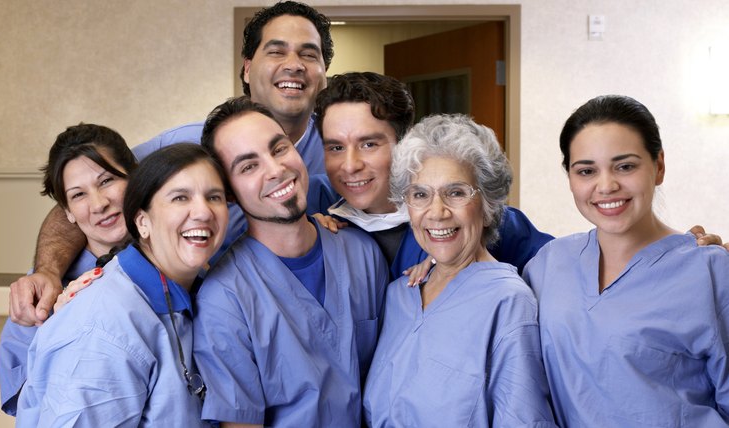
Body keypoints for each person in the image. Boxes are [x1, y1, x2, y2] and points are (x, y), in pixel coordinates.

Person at [8, 0, 333, 326]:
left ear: (322, 74)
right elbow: (91, 195)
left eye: (308, 54)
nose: (294, 64)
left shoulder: (339, 151)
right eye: (277, 51)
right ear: (247, 68)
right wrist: (48, 271)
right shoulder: (184, 146)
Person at [522, 95, 729, 427]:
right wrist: (434, 262)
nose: (606, 185)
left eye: (625, 166)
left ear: (658, 167)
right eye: (586, 170)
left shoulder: (711, 272)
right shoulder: (548, 264)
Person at [193, 97, 388, 427]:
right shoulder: (223, 300)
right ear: (228, 192)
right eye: (249, 166)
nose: (275, 169)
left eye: (279, 149)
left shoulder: (363, 253)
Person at [16, 143, 229, 426]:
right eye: (180, 198)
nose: (202, 212)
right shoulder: (103, 327)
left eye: (214, 197)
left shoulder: (199, 291)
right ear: (142, 222)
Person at [363, 114, 555, 427]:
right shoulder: (400, 295)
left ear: (488, 204)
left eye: (456, 192)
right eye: (420, 194)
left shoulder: (507, 302)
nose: (436, 212)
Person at [313, 71, 554, 278]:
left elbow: (565, 279)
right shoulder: (321, 219)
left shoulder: (474, 219)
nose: (350, 165)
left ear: (404, 143)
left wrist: (459, 263)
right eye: (336, 147)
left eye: (369, 145)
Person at [0, 123, 137, 416]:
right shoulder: (37, 298)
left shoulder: (182, 265)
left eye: (106, 180)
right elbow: (32, 408)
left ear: (135, 176)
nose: (99, 204)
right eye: (78, 195)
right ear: (68, 213)